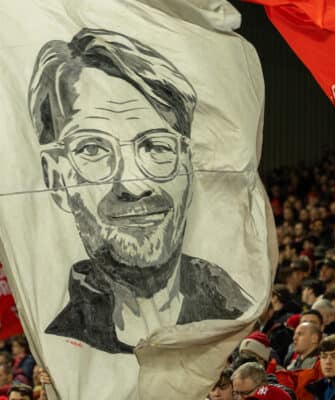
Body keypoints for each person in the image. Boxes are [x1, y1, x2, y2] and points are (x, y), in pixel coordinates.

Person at [28, 28, 252, 353]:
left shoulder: (243, 316)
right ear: (55, 176)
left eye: (156, 146)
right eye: (92, 149)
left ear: (189, 166)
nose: (134, 185)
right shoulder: (60, 350)